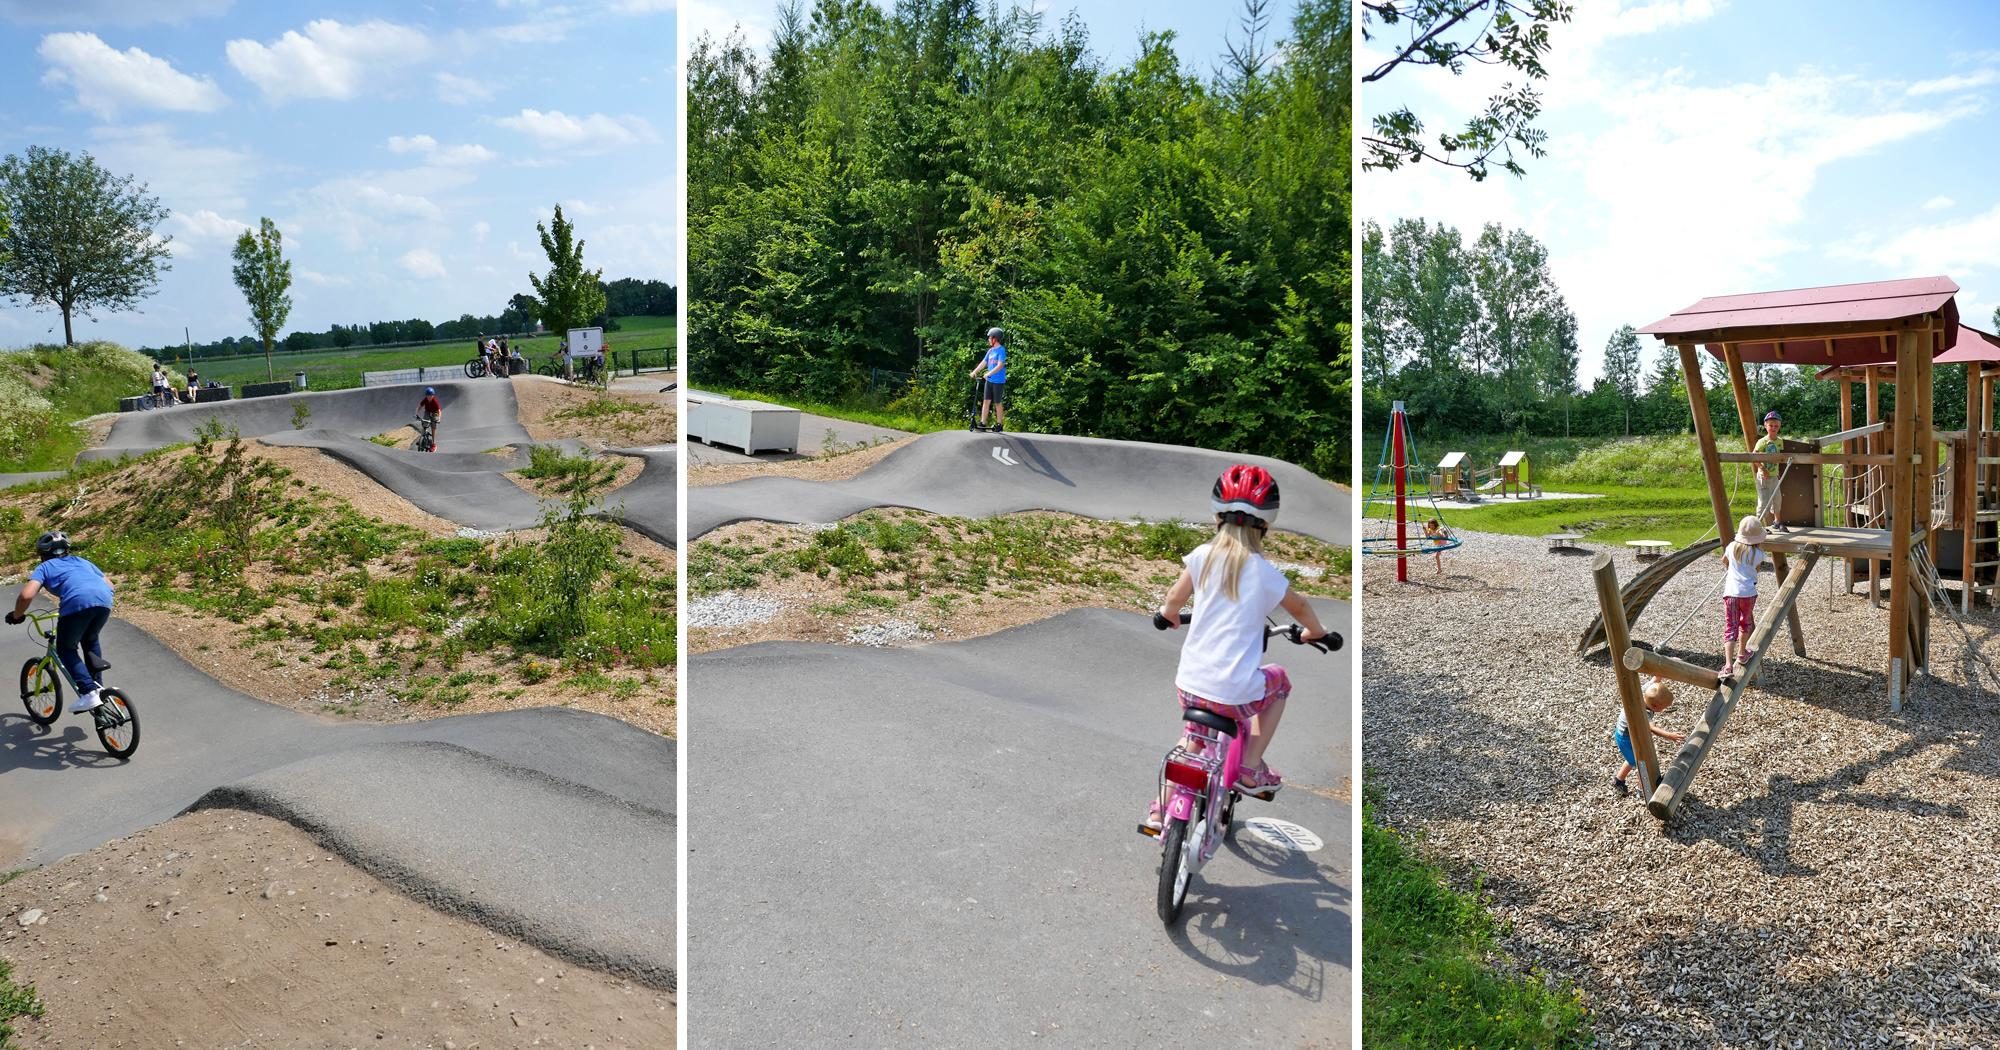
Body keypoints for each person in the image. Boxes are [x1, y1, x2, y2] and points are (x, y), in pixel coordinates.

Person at [1142, 465, 1335, 831]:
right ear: (1265, 525)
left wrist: (1168, 615)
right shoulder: (1265, 573)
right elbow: (1301, 609)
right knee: (1280, 681)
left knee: (1191, 742)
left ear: (1217, 517)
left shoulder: (1201, 556)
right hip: (1234, 693)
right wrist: (1316, 633)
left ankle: (1158, 809)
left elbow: (1172, 599)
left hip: (1190, 684)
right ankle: (1249, 765)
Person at [6, 532, 115, 714]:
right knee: (90, 639)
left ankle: (89, 692)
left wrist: (17, 615)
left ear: (42, 553)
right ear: (66, 549)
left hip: (77, 604)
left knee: (65, 649)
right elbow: (110, 585)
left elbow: (26, 595)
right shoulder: (82, 561)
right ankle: (99, 688)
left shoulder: (45, 567)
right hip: (104, 601)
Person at [1611, 677, 1684, 796]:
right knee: (1641, 763)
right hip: (1625, 738)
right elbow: (1652, 728)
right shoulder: (1643, 712)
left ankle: (1619, 780)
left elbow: (1656, 678)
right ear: (1655, 706)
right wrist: (1670, 735)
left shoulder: (1644, 692)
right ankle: (1643, 789)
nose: (1664, 709)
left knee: (1632, 760)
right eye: (1663, 707)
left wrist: (1664, 668)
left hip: (1623, 733)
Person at [1720, 514, 1772, 680]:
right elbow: (1756, 570)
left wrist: (1731, 568)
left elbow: (1724, 561)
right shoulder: (1758, 554)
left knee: (1731, 626)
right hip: (1748, 593)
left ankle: (1728, 664)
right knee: (1745, 623)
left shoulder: (1731, 547)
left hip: (1731, 593)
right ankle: (1742, 653)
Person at [969, 326, 1008, 431]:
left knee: (997, 402)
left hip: (998, 381)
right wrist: (975, 371)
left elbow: (1000, 365)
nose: (988, 340)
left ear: (995, 339)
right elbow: (984, 362)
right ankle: (982, 423)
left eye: (990, 338)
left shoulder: (1001, 350)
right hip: (989, 380)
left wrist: (988, 373)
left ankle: (999, 424)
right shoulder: (990, 351)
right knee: (986, 401)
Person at [1753, 410, 1786, 531]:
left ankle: (1777, 521)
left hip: (1774, 475)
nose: (1773, 428)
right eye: (1771, 425)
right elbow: (1754, 457)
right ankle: (1757, 526)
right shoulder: (1762, 442)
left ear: (1779, 426)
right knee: (1763, 502)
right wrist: (1762, 469)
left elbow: (1779, 456)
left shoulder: (1779, 442)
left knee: (1777, 499)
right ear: (1766, 426)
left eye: (1776, 426)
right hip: (1764, 476)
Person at [417, 386, 442, 450]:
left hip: (435, 413)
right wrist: (416, 413)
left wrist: (439, 418)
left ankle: (433, 443)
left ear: (433, 396)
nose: (429, 397)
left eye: (430, 396)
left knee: (433, 427)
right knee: (424, 423)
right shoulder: (425, 400)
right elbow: (420, 406)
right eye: (428, 396)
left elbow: (439, 411)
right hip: (427, 411)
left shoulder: (435, 401)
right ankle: (421, 438)